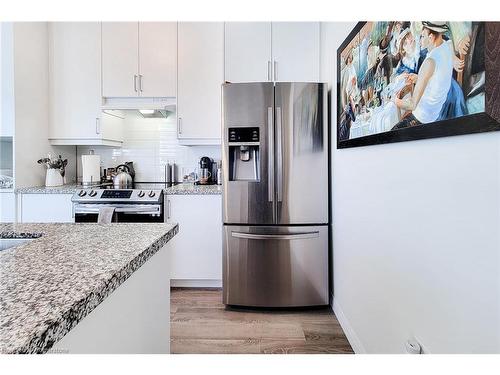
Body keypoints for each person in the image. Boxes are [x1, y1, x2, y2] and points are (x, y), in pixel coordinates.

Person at [391, 22, 454, 129]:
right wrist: (419, 78)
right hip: (436, 110)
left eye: (422, 36)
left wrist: (396, 101)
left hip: (423, 117)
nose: (419, 40)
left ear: (431, 37)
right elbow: (436, 78)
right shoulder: (447, 47)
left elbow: (412, 105)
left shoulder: (429, 61)